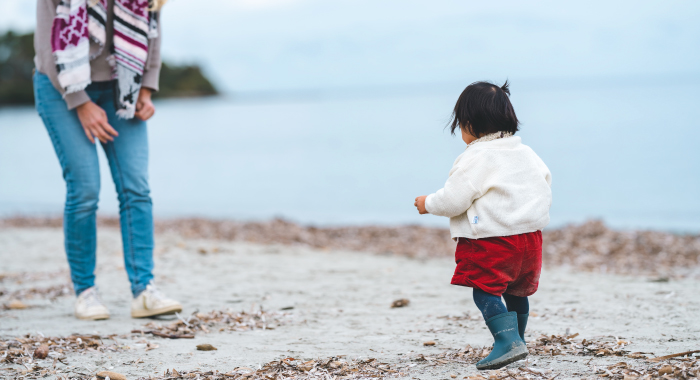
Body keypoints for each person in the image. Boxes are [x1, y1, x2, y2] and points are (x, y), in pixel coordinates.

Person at [33, 0, 182, 320]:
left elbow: (151, 30)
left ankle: (144, 290)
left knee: (136, 188)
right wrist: (81, 102)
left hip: (122, 85)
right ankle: (85, 292)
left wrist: (146, 89)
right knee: (85, 189)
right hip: (61, 88)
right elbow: (47, 47)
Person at [414, 81, 552, 370]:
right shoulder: (526, 153)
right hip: (530, 240)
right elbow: (544, 184)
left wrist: (428, 203)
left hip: (492, 240)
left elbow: (454, 199)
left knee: (484, 288)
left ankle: (507, 341)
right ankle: (518, 339)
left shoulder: (475, 158)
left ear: (468, 124)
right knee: (516, 291)